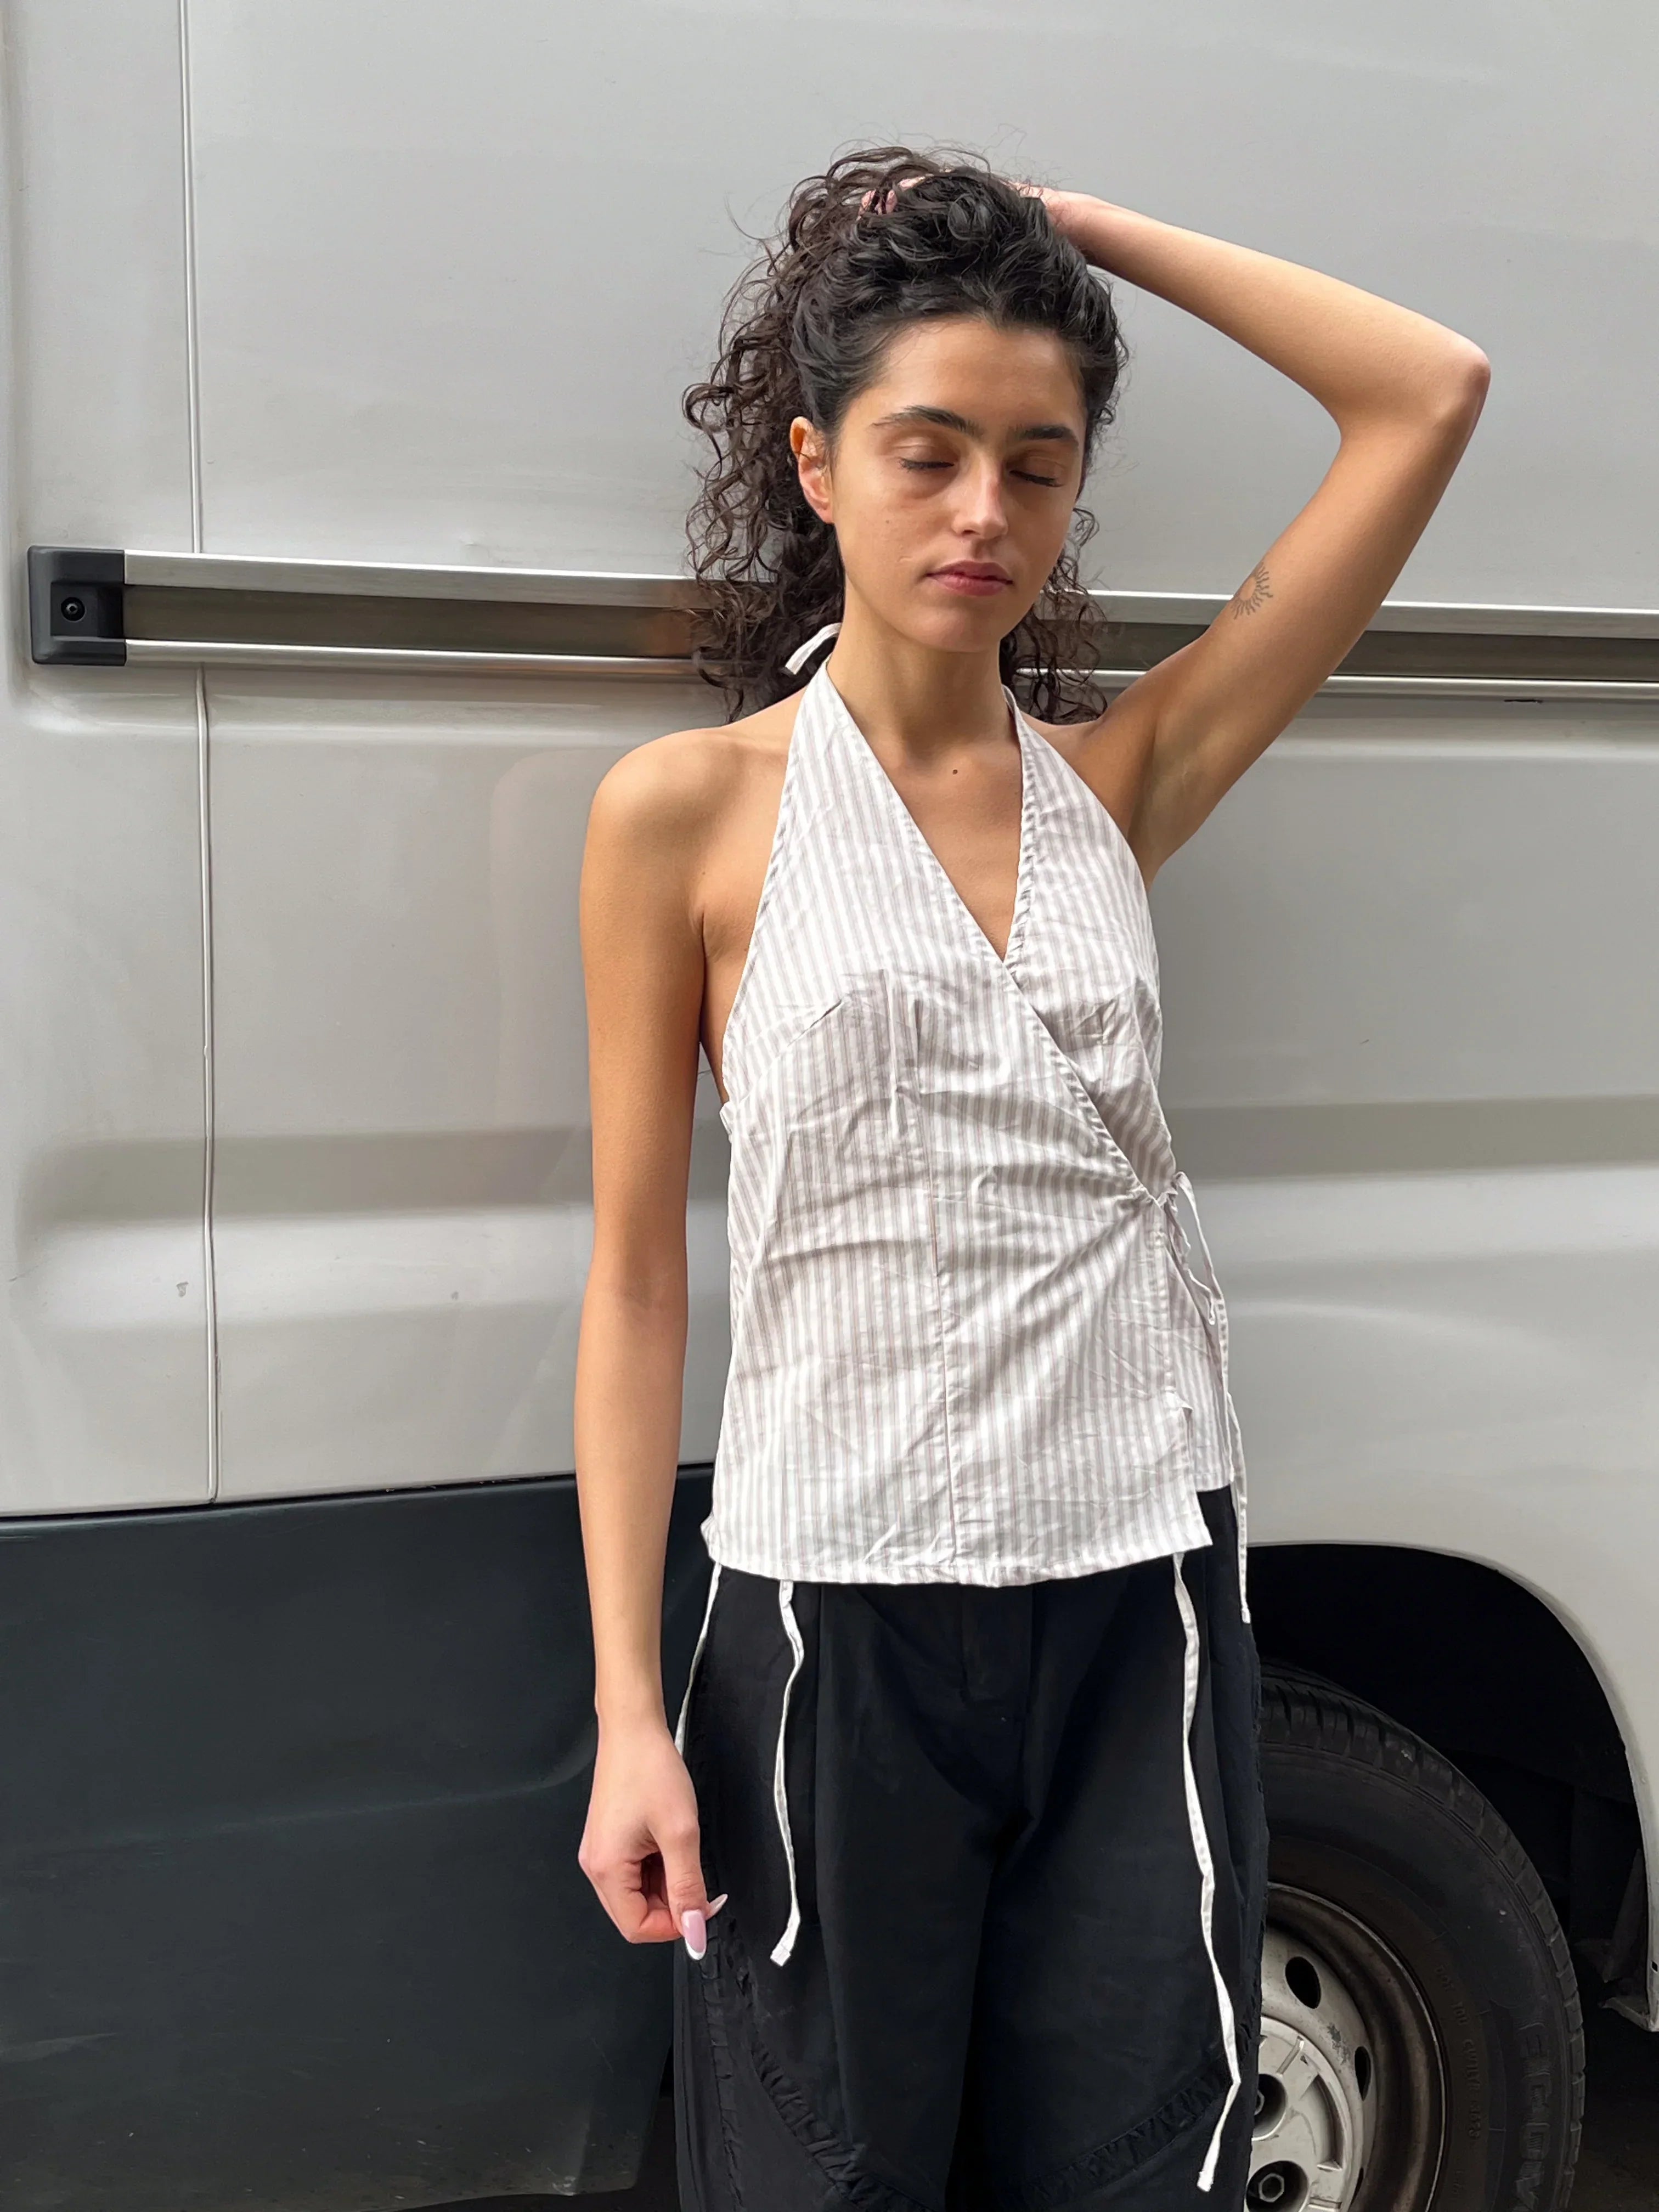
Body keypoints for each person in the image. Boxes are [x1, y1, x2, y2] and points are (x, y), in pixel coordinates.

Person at [573, 147, 1488, 2210]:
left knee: (1136, 2166)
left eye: (1038, 464)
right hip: (836, 1611)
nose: (983, 510)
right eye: (928, 453)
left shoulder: (1119, 783)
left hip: (1133, 1590)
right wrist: (632, 1713)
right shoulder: (686, 819)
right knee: (825, 2174)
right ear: (818, 467)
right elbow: (636, 1286)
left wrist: (1093, 235)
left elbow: (1428, 392)